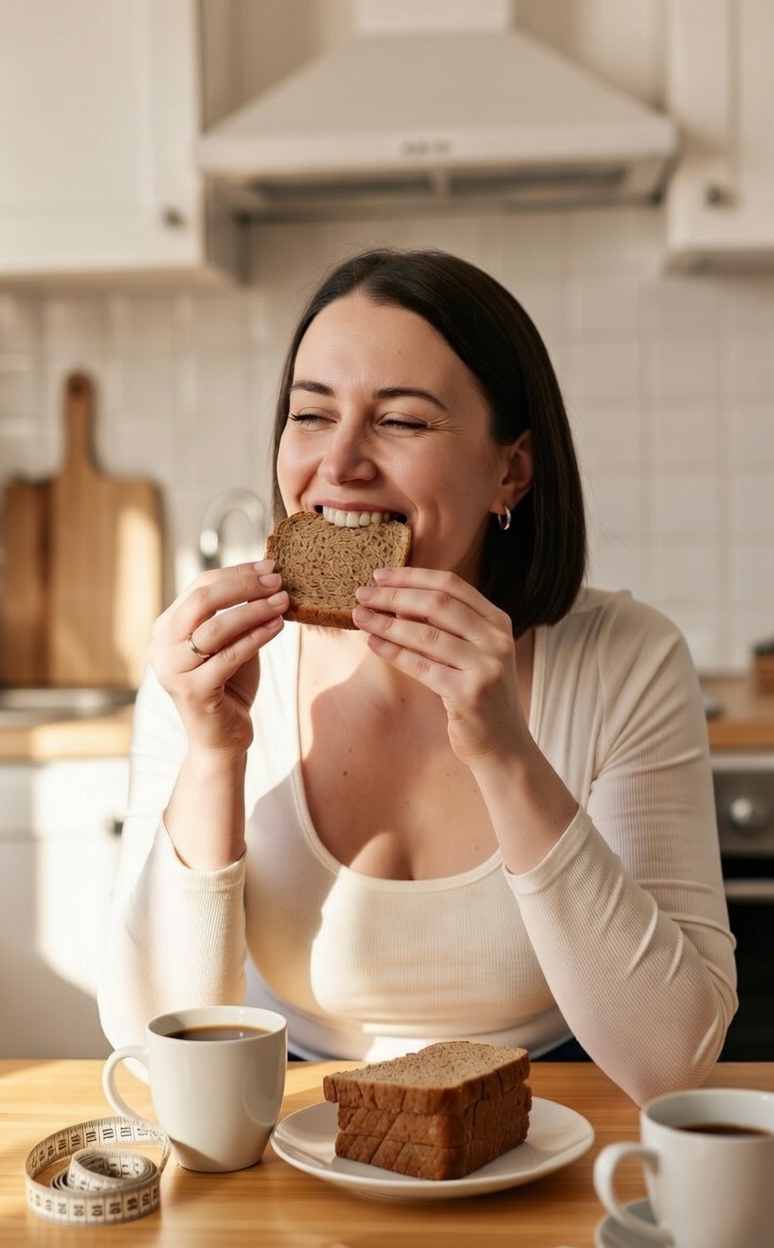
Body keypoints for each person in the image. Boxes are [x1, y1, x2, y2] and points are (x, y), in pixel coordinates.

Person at [98, 247, 737, 1106]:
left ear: (510, 468)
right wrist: (214, 753)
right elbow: (152, 1045)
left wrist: (509, 755)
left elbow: (673, 1061)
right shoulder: (212, 664)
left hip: (554, 1116)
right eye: (311, 414)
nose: (342, 463)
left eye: (400, 421)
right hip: (289, 1120)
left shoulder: (625, 658)